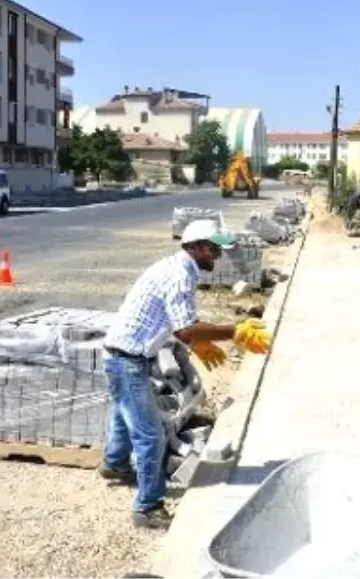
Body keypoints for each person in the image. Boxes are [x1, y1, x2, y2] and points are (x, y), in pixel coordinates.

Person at [99, 219, 273, 530]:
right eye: (211, 248)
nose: (216, 255)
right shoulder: (179, 275)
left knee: (124, 415)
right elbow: (184, 327)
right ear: (193, 247)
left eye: (217, 249)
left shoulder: (179, 270)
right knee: (149, 433)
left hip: (121, 354)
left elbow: (179, 323)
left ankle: (114, 465)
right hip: (127, 359)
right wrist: (235, 330)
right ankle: (147, 506)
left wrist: (198, 342)